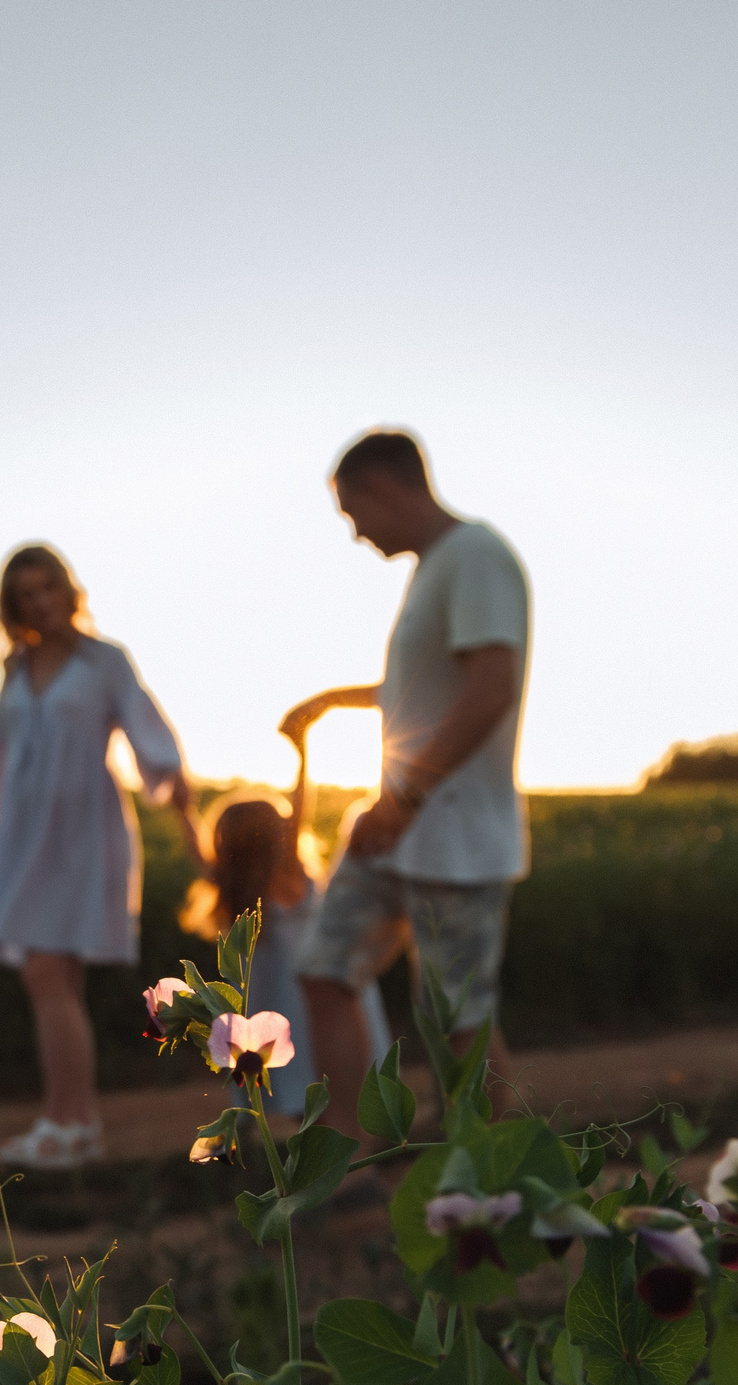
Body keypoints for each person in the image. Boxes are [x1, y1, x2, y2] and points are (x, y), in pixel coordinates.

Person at [282, 428, 532, 1131]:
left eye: (351, 512)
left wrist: (405, 798)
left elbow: (491, 685)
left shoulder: (476, 556)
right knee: (325, 971)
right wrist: (338, 701)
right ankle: (350, 1150)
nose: (355, 532)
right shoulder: (434, 568)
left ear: (383, 489)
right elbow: (424, 685)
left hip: (451, 834)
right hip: (398, 828)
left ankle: (500, 1175)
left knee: (454, 1019)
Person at [0, 543, 195, 1170]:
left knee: (48, 975)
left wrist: (190, 821)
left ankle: (65, 1123)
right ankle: (77, 1124)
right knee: (55, 981)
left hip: (85, 829)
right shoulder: (15, 668)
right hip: (25, 834)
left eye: (49, 587)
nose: (41, 603)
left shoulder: (104, 661)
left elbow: (149, 736)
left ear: (68, 590)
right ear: (12, 604)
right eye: (27, 594)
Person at [177, 734, 391, 1121]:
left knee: (292, 1082)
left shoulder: (234, 885)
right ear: (279, 837)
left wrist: (182, 812)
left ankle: (302, 1148)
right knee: (332, 1070)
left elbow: (197, 853)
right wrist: (303, 754)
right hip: (315, 990)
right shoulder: (290, 875)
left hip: (268, 999)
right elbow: (300, 808)